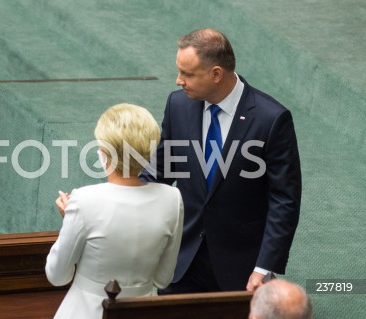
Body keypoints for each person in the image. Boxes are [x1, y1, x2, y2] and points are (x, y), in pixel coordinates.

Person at [140, 28, 302, 293]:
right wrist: (114, 198)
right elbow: (160, 169)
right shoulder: (178, 106)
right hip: (181, 264)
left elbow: (284, 199)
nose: (178, 80)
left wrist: (264, 267)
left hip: (241, 270)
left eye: (187, 74)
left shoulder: (271, 119)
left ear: (216, 74)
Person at [46, 103, 184, 319]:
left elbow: (57, 275)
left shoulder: (83, 201)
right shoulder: (172, 199)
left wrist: (70, 221)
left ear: (103, 154)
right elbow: (163, 279)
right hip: (143, 311)